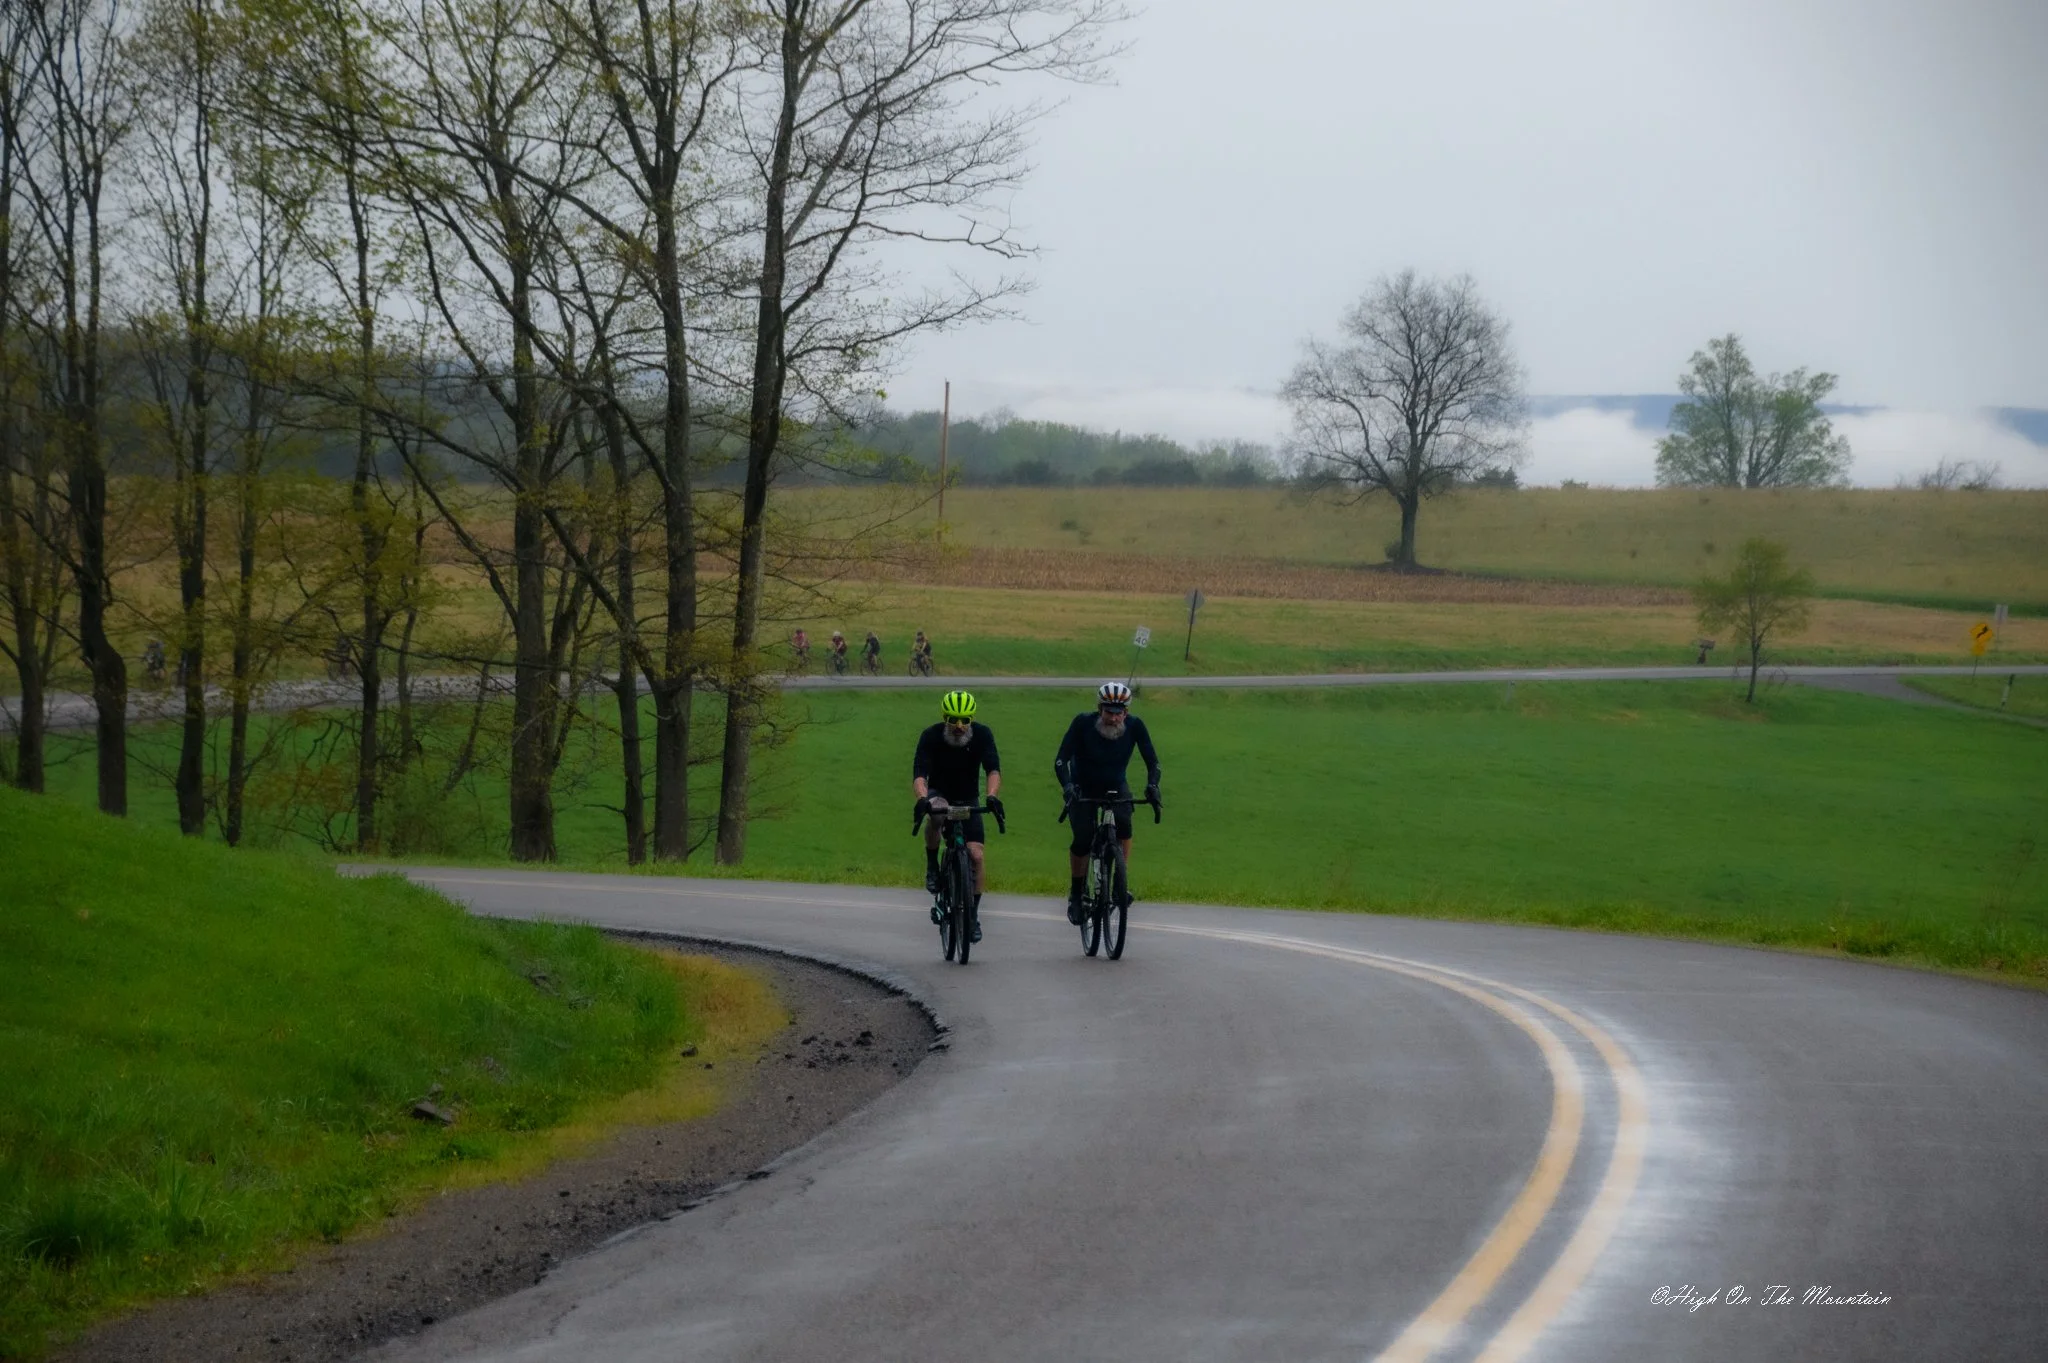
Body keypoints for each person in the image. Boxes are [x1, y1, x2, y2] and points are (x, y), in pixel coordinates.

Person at [1053, 680, 1161, 925]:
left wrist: (1152, 786)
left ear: (1127, 712)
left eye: (1119, 713)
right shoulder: (1082, 723)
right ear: (1099, 709)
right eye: (1109, 712)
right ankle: (1077, 894)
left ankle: (1120, 882)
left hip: (1116, 785)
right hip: (1083, 787)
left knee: (1124, 825)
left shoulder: (1135, 727)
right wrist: (1068, 787)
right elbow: (1061, 760)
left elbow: (1153, 762)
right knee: (1083, 837)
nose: (1114, 718)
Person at [912, 690, 1004, 942]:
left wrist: (993, 796)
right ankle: (933, 865)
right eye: (953, 720)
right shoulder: (931, 736)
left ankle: (972, 915)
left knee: (976, 855)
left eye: (965, 720)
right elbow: (920, 774)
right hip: (940, 793)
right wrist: (922, 799)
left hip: (968, 799)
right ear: (945, 718)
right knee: (937, 812)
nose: (960, 726)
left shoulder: (983, 735)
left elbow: (993, 769)